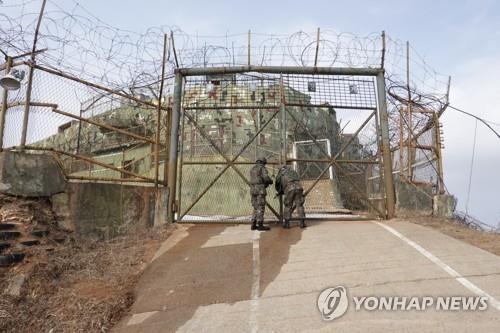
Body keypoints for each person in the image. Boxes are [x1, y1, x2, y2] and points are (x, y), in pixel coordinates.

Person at [249, 157, 273, 231]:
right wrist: (270, 181)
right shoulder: (262, 168)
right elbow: (266, 177)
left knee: (255, 207)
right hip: (260, 190)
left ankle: (253, 224)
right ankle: (260, 225)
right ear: (263, 162)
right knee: (260, 207)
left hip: (253, 189)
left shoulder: (252, 169)